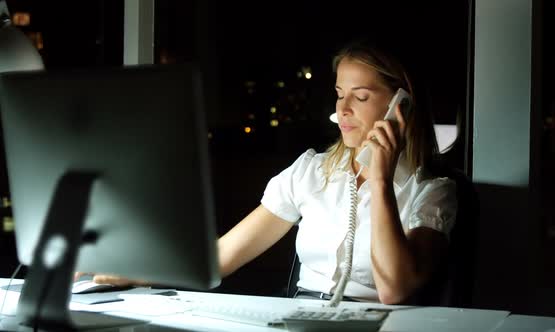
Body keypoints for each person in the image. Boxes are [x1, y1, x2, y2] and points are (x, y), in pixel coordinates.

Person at [86, 40, 458, 305]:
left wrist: (379, 179)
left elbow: (395, 290)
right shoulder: (311, 172)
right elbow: (221, 258)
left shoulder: (432, 192)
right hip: (301, 317)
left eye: (360, 97)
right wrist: (131, 271)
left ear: (401, 106)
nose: (342, 108)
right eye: (339, 93)